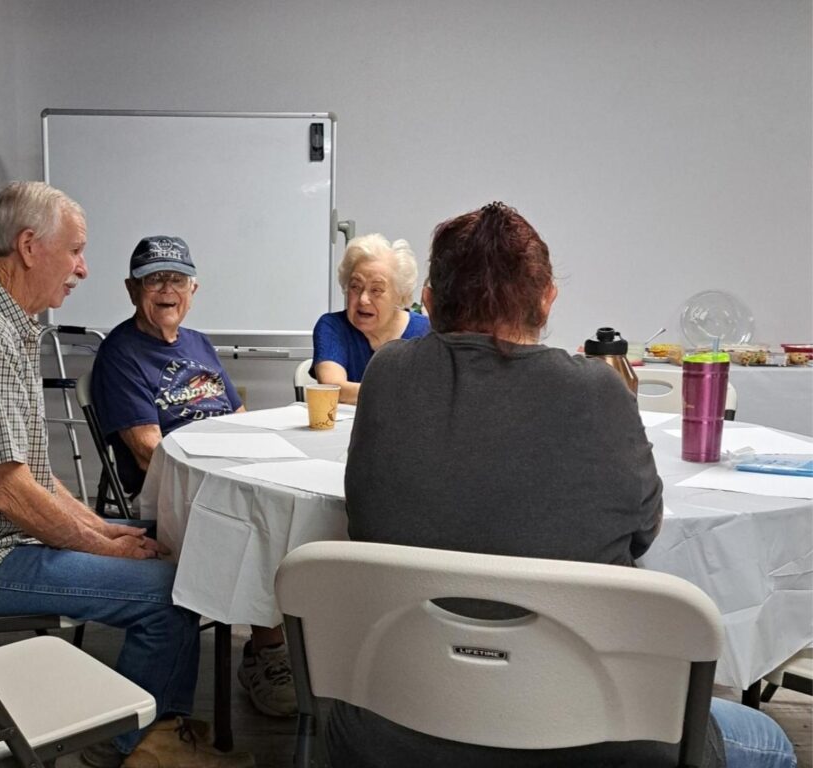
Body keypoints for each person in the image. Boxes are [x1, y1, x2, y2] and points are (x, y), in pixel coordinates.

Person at [331, 202, 797, 768]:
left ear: (428, 300)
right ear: (547, 298)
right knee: (768, 741)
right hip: (592, 740)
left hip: (392, 725)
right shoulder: (598, 392)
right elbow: (643, 531)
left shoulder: (387, 377)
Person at [0, 183, 253, 768]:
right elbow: (8, 490)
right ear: (30, 246)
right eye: (75, 250)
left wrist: (106, 535)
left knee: (163, 561)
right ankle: (139, 748)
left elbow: (27, 475)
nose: (83, 268)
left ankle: (163, 731)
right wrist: (100, 543)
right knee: (171, 591)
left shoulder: (1, 323)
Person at [91, 235, 298, 719]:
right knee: (266, 521)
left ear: (193, 288)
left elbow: (240, 413)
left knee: (289, 507)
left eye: (177, 279)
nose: (167, 289)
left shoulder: (199, 343)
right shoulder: (121, 354)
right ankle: (268, 652)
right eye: (154, 279)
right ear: (131, 288)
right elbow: (148, 454)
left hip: (227, 471)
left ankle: (281, 642)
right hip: (174, 490)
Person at [311, 233, 430, 404]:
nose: (363, 299)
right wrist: (402, 395)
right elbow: (333, 389)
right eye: (355, 286)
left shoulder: (425, 332)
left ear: (399, 295)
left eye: (376, 290)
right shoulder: (333, 327)